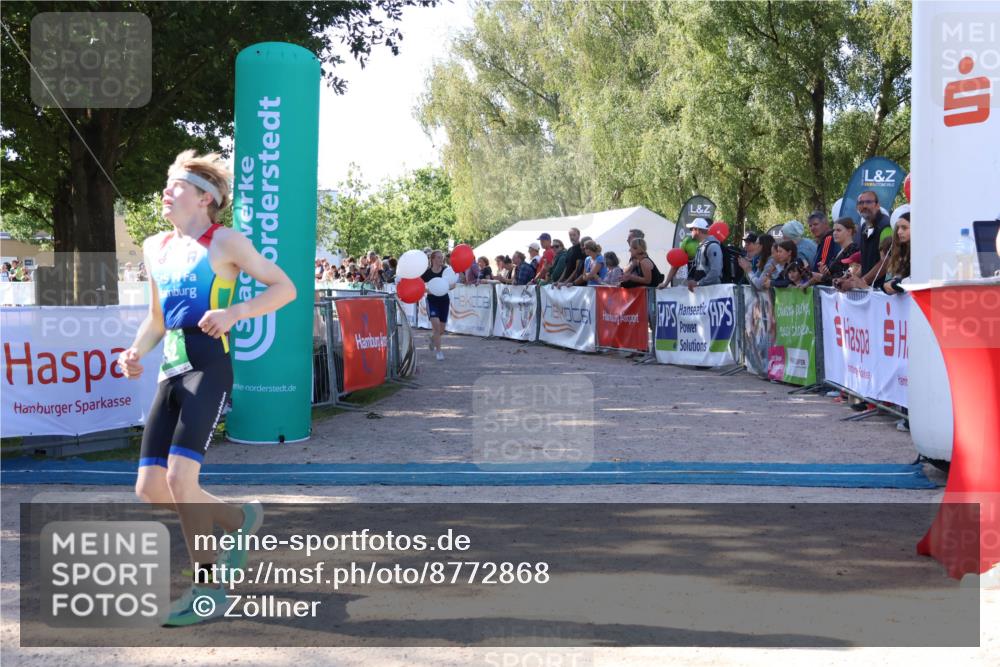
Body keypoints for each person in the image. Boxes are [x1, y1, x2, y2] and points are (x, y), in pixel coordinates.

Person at [118, 150, 296, 626]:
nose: (165, 191)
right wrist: (134, 351)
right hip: (170, 369)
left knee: (180, 480)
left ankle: (208, 587)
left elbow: (284, 288)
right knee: (151, 489)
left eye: (175, 185)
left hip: (208, 366)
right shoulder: (155, 246)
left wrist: (235, 313)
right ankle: (240, 519)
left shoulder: (226, 242)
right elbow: (157, 319)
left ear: (204, 199)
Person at [855, 190, 892, 287]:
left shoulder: (886, 226)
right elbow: (866, 264)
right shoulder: (864, 227)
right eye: (861, 203)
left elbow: (886, 261)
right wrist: (851, 279)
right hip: (869, 292)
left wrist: (863, 281)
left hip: (883, 293)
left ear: (877, 205)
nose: (864, 206)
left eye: (868, 202)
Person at [421, 249, 452, 360]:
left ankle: (433, 339)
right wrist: (428, 290)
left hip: (444, 300)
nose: (441, 259)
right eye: (438, 257)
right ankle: (439, 352)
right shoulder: (427, 273)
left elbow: (453, 285)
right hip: (432, 301)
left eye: (441, 257)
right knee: (436, 326)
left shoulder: (446, 271)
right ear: (433, 259)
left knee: (441, 330)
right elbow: (419, 286)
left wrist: (446, 287)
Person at [813, 217, 859, 287]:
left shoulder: (853, 250)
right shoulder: (839, 252)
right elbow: (836, 276)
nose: (834, 233)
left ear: (849, 231)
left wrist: (822, 277)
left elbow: (846, 278)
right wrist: (826, 273)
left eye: (838, 230)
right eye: (834, 230)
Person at [685, 218, 723, 291]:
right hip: (704, 292)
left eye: (691, 229)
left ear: (698, 230)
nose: (691, 232)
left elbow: (716, 271)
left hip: (713, 292)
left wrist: (698, 283)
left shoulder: (713, 246)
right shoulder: (701, 246)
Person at [883, 212, 911, 295]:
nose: (899, 232)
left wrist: (897, 284)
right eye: (898, 228)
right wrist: (887, 285)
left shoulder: (922, 252)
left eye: (904, 228)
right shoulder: (901, 252)